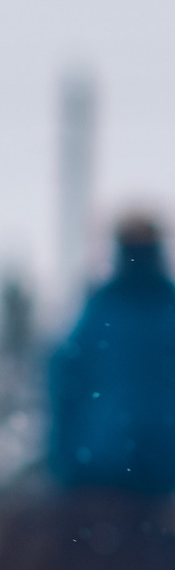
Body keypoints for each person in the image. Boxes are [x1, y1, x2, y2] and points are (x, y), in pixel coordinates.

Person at [48, 212, 175, 495]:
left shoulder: (104, 310)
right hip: (105, 466)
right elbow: (66, 380)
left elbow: (65, 380)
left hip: (130, 464)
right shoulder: (102, 310)